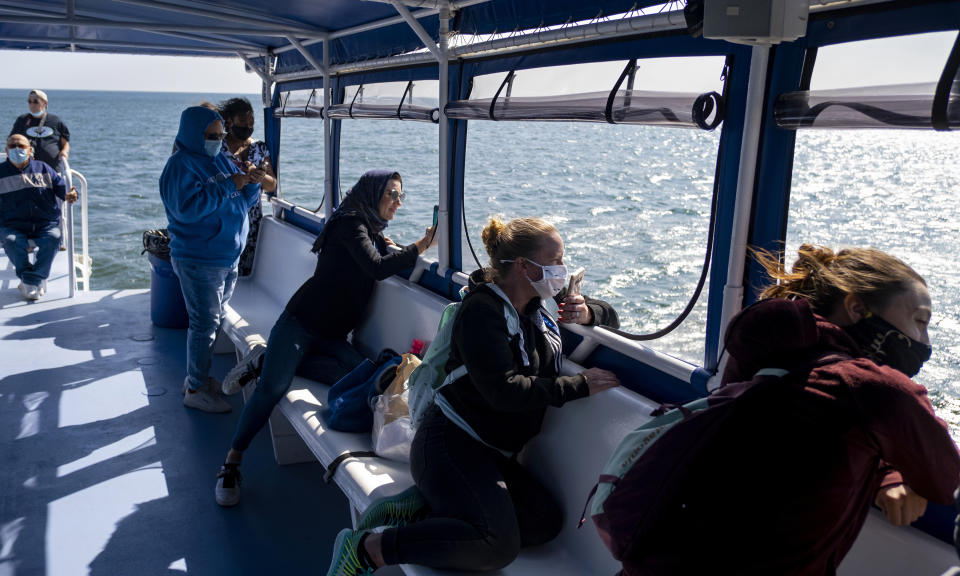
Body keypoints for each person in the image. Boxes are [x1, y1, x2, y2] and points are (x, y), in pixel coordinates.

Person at [632, 244, 960, 575]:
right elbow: (945, 479)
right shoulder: (878, 390)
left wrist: (885, 471)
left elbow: (811, 438)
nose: (925, 342)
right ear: (856, 308)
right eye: (920, 321)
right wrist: (895, 465)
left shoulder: (762, 352)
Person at [324, 216, 621, 575]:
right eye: (555, 261)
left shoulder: (537, 300)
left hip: (491, 453)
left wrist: (589, 312)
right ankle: (368, 549)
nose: (562, 270)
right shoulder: (483, 311)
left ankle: (423, 508)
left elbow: (610, 316)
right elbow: (504, 391)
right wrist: (580, 385)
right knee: (497, 544)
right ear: (525, 267)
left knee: (544, 522)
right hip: (450, 442)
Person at [214, 170, 437, 506]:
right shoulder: (350, 223)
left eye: (400, 196)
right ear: (372, 193)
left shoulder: (370, 230)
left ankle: (266, 359)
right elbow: (376, 267)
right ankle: (232, 461)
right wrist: (422, 244)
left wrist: (394, 247)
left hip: (332, 336)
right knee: (273, 387)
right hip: (301, 322)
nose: (397, 202)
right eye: (391, 194)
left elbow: (378, 256)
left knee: (363, 376)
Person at [159, 106, 265, 413]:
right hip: (199, 259)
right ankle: (195, 388)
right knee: (204, 324)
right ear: (194, 133)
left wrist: (252, 182)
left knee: (213, 321)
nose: (218, 141)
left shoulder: (218, 159)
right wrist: (231, 183)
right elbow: (187, 209)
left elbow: (242, 202)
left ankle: (198, 379)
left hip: (226, 258)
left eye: (221, 135)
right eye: (211, 136)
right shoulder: (180, 166)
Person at [0, 134, 77, 300]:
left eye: (21, 146)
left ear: (30, 150)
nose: (17, 149)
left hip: (45, 224)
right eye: (12, 146)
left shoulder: (43, 168)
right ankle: (34, 280)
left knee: (54, 237)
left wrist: (70, 194)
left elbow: (62, 189)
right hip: (13, 225)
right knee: (11, 241)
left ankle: (30, 280)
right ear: (6, 150)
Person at [218, 98, 278, 277]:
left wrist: (257, 175)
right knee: (222, 270)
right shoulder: (217, 147)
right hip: (223, 217)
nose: (248, 128)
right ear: (229, 122)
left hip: (251, 219)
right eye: (243, 123)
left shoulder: (260, 148)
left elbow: (272, 184)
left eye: (251, 123)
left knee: (246, 271)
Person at [9, 90, 70, 171]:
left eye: (35, 102)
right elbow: (11, 141)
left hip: (52, 169)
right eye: (29, 102)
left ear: (45, 103)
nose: (32, 105)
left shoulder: (56, 121)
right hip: (27, 169)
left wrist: (64, 152)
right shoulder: (22, 120)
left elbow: (65, 143)